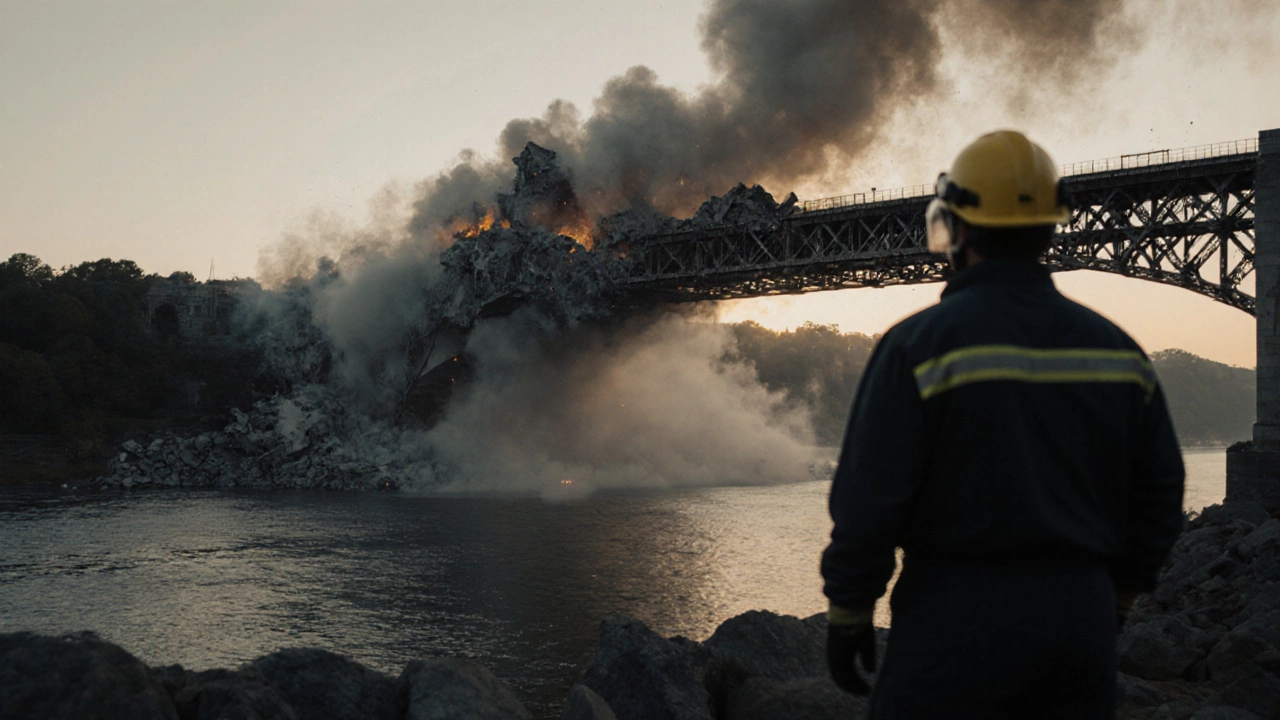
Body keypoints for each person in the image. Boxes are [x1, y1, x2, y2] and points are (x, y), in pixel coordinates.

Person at [820, 130, 1186, 718]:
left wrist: (849, 610)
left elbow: (869, 498)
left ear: (956, 226)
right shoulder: (1120, 353)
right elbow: (1161, 495)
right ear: (1050, 229)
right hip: (1080, 624)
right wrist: (1115, 598)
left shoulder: (917, 346)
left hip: (954, 621)